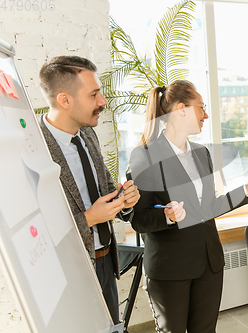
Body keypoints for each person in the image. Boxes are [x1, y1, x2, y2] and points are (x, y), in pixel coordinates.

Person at [126, 80, 248, 333]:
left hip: (208, 263)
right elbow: (138, 219)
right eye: (201, 108)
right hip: (170, 268)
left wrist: (245, 190)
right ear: (181, 109)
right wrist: (167, 217)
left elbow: (207, 208)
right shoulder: (145, 156)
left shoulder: (201, 154)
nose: (206, 115)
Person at [38, 56, 141, 324]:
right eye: (94, 94)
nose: (103, 101)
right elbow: (35, 229)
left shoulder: (87, 134)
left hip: (106, 262)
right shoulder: (34, 148)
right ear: (65, 100)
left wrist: (125, 201)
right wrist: (89, 219)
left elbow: (106, 187)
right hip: (68, 273)